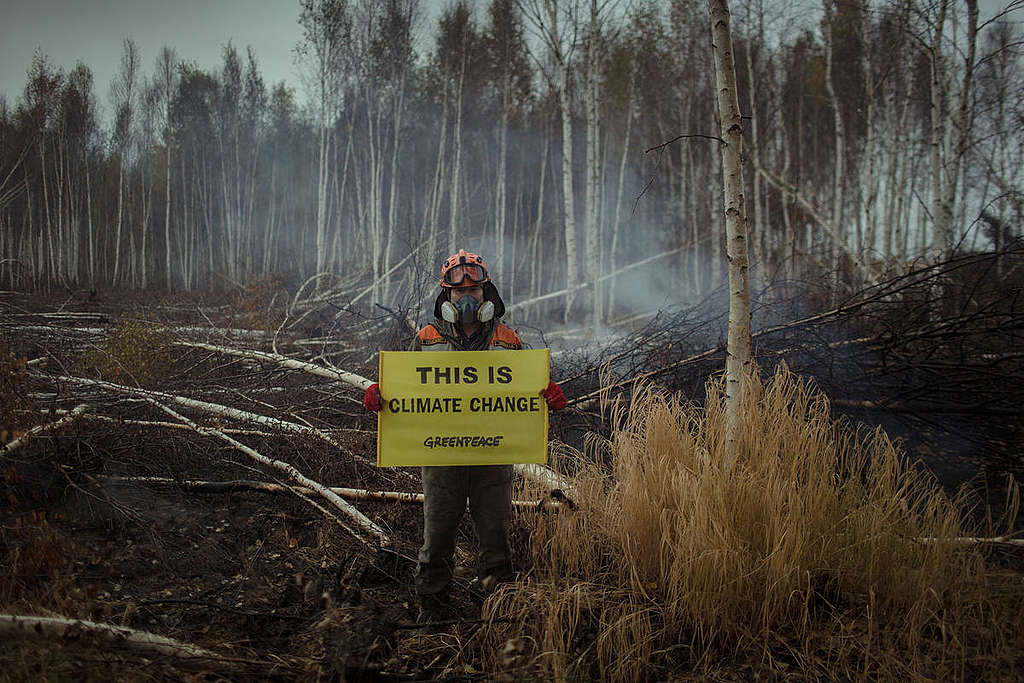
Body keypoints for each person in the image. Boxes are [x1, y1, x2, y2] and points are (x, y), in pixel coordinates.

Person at [363, 249, 566, 623]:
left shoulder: (507, 339)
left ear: (487, 294)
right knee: (436, 538)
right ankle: (433, 611)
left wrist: (546, 393)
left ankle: (496, 613)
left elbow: (526, 392)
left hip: (493, 456)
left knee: (495, 539)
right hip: (442, 458)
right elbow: (406, 390)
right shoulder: (425, 338)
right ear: (447, 297)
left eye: (475, 290)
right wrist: (382, 395)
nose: (467, 298)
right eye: (459, 293)